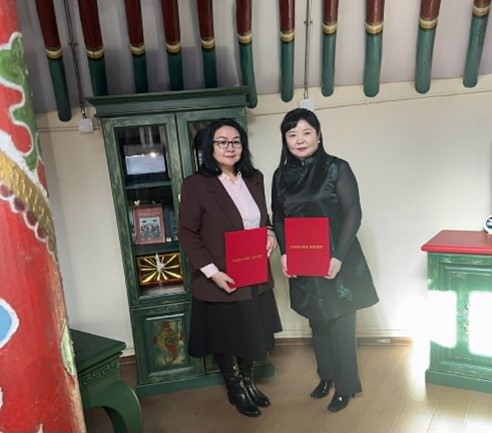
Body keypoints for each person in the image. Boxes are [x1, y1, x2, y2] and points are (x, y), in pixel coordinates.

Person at [271, 108, 379, 413]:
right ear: (285, 140)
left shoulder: (337, 168)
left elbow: (353, 213)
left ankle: (346, 386)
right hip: (303, 259)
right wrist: (285, 252)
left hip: (337, 256)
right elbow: (278, 217)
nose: (300, 139)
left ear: (318, 135)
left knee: (341, 321)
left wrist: (338, 256)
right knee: (317, 320)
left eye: (306, 132)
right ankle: (326, 376)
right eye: (292, 134)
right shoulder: (280, 175)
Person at [178, 119, 282, 417]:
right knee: (228, 336)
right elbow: (187, 234)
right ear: (209, 147)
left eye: (236, 141)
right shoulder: (196, 184)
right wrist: (212, 272)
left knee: (252, 330)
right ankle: (235, 389)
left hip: (254, 271)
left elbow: (264, 218)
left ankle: (248, 382)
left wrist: (270, 234)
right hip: (221, 275)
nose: (230, 147)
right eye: (222, 141)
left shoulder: (254, 178)